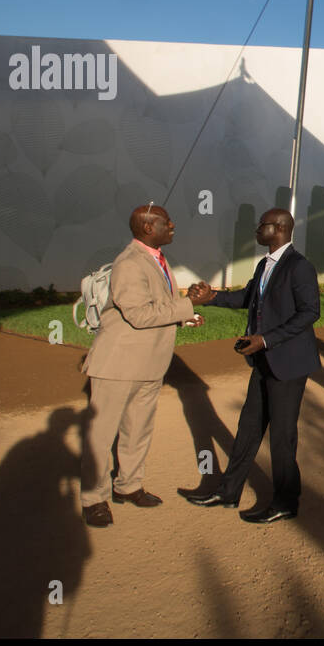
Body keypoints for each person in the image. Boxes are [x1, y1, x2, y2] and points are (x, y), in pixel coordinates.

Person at [181, 209, 322, 524]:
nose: (257, 230)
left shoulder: (299, 267)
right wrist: (213, 296)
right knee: (248, 429)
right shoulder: (264, 265)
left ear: (280, 228)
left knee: (282, 436)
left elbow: (310, 312)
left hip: (288, 363)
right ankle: (228, 491)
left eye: (263, 225)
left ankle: (286, 501)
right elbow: (249, 297)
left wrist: (267, 339)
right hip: (264, 360)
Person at [79, 203, 198, 528]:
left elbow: (158, 306)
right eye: (166, 222)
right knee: (101, 436)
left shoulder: (156, 259)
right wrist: (189, 305)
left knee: (138, 428)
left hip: (149, 364)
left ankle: (128, 485)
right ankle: (94, 499)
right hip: (118, 364)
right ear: (148, 228)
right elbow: (138, 315)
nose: (172, 226)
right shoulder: (130, 263)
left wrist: (188, 315)